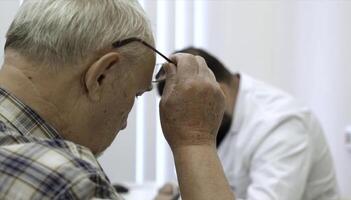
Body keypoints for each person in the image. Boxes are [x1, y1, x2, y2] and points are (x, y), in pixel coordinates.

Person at [0, 1, 234, 200]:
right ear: (101, 76)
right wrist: (195, 141)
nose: (124, 124)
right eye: (135, 94)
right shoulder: (65, 179)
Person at [156, 48, 340, 200]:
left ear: (216, 91)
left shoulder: (282, 124)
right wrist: (174, 188)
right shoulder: (224, 116)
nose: (185, 120)